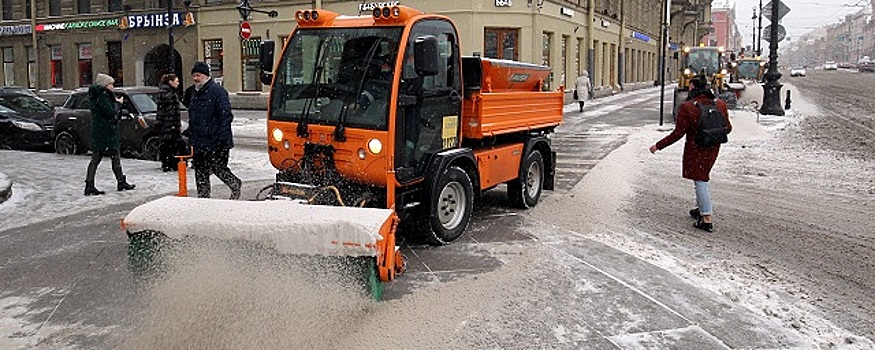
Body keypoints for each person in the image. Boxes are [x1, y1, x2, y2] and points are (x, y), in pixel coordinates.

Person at [648, 74, 732, 232]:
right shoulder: (720, 104)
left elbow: (678, 133)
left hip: (696, 147)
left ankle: (706, 218)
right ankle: (700, 208)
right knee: (701, 177)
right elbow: (728, 128)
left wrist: (658, 146)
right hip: (713, 147)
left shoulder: (687, 107)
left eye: (691, 86)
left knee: (700, 181)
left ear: (693, 87)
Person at [186, 61, 242, 199]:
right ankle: (203, 198)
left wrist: (221, 138)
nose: (195, 78)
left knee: (218, 168)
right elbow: (194, 116)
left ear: (205, 76)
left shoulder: (217, 91)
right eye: (194, 75)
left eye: (198, 75)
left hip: (215, 140)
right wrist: (190, 133)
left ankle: (234, 184)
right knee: (200, 171)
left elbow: (225, 115)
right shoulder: (194, 92)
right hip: (199, 140)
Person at [84, 73, 136, 196]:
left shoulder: (97, 95)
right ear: (105, 85)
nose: (113, 86)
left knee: (99, 158)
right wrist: (118, 104)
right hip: (106, 131)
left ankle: (91, 184)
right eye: (111, 84)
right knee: (110, 157)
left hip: (100, 130)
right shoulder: (103, 96)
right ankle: (118, 182)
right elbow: (110, 113)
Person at [155, 73, 184, 172]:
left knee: (168, 144)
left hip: (167, 124)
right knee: (172, 144)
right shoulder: (170, 94)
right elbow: (171, 112)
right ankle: (172, 163)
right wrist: (174, 124)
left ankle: (168, 163)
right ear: (170, 82)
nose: (178, 83)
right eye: (176, 81)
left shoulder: (164, 92)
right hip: (170, 124)